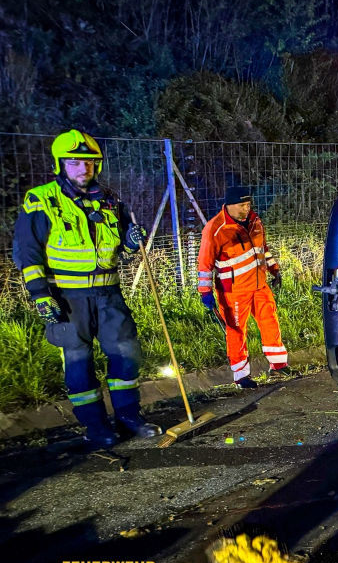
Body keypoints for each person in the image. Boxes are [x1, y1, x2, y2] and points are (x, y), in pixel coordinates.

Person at [12, 130, 161, 447]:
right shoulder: (41, 201)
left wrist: (132, 242)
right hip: (67, 298)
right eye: (75, 162)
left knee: (126, 356)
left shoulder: (109, 200)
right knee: (78, 363)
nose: (84, 169)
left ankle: (129, 417)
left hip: (110, 296)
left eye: (90, 162)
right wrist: (40, 294)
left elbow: (123, 245)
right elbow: (27, 252)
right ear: (60, 164)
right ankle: (96, 427)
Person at [196, 183, 289, 388]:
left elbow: (262, 248)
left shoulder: (255, 220)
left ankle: (278, 364)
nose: (247, 208)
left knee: (270, 321)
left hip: (259, 285)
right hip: (234, 290)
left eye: (248, 204)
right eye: (242, 205)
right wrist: (205, 291)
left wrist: (274, 269)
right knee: (236, 330)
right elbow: (205, 263)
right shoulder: (215, 228)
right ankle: (241, 376)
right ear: (230, 205)